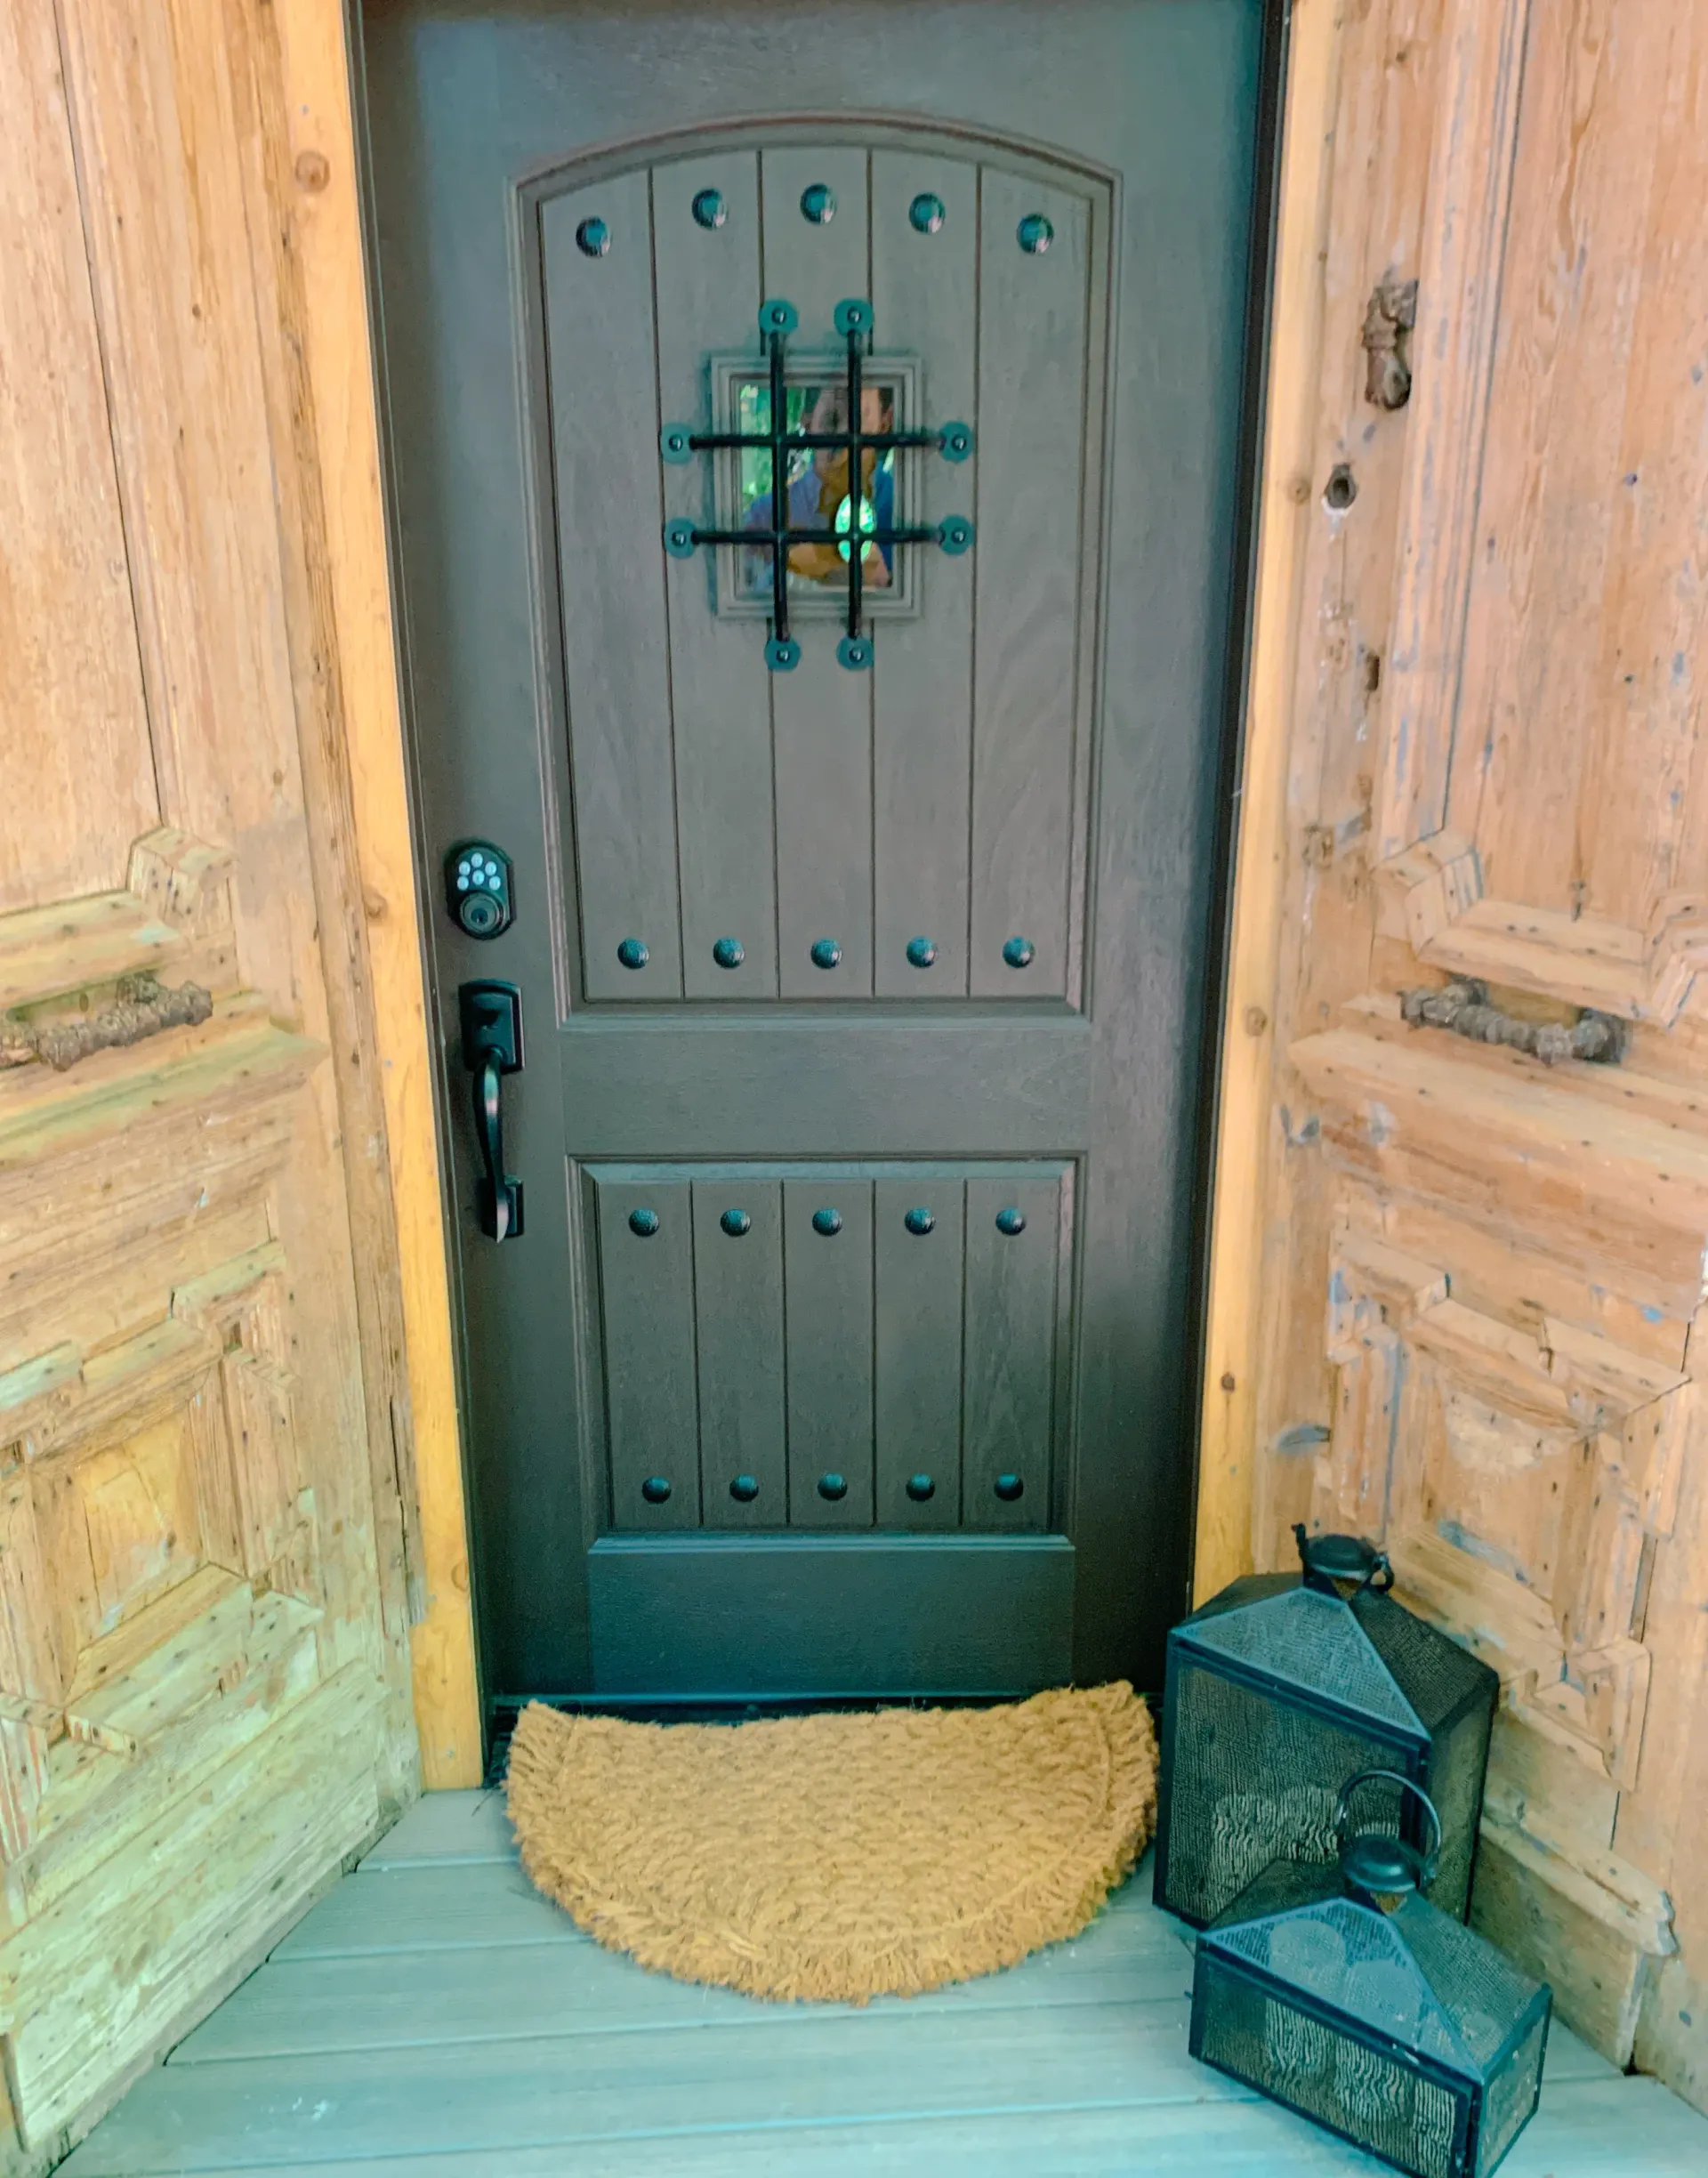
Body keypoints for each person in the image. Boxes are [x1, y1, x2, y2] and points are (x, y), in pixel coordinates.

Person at [744, 381, 895, 591]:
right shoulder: (764, 517)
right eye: (832, 420)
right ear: (807, 424)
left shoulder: (903, 507)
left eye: (858, 420)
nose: (845, 435)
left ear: (885, 423)